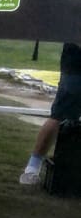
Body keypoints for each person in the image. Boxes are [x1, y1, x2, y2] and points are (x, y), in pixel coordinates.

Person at [20, 42, 81, 185]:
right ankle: (32, 168)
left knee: (58, 117)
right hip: (76, 67)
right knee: (59, 117)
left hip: (73, 66)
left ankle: (33, 167)